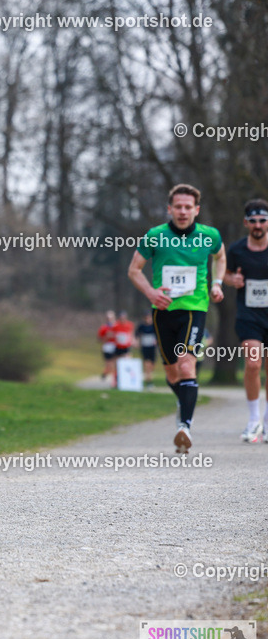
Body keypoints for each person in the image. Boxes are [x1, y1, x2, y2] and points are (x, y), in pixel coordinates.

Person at [127, 183, 225, 453]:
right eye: (178, 207)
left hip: (195, 308)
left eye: (188, 207)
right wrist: (150, 293)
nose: (183, 212)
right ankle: (184, 404)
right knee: (171, 373)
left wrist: (217, 283)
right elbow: (134, 270)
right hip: (163, 311)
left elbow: (221, 256)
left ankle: (185, 426)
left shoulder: (209, 236)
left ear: (197, 210)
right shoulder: (155, 236)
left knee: (185, 366)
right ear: (169, 209)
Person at [224, 198, 268, 444]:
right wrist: (232, 281)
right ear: (246, 223)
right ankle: (254, 420)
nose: (258, 225)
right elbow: (226, 273)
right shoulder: (237, 250)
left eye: (262, 220)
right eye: (253, 221)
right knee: (253, 364)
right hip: (248, 314)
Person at [135, 313, 158, 384]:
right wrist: (137, 341)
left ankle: (149, 374)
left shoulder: (154, 326)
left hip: (152, 347)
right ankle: (149, 380)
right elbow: (137, 334)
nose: (147, 320)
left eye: (148, 318)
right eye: (146, 318)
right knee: (147, 363)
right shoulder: (141, 326)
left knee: (152, 364)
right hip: (145, 347)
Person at [98, 311, 117, 382]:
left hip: (115, 346)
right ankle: (105, 374)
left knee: (114, 364)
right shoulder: (103, 328)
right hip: (107, 347)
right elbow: (99, 339)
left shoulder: (117, 326)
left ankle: (114, 379)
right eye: (108, 318)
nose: (110, 319)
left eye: (111, 318)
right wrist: (106, 337)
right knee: (109, 364)